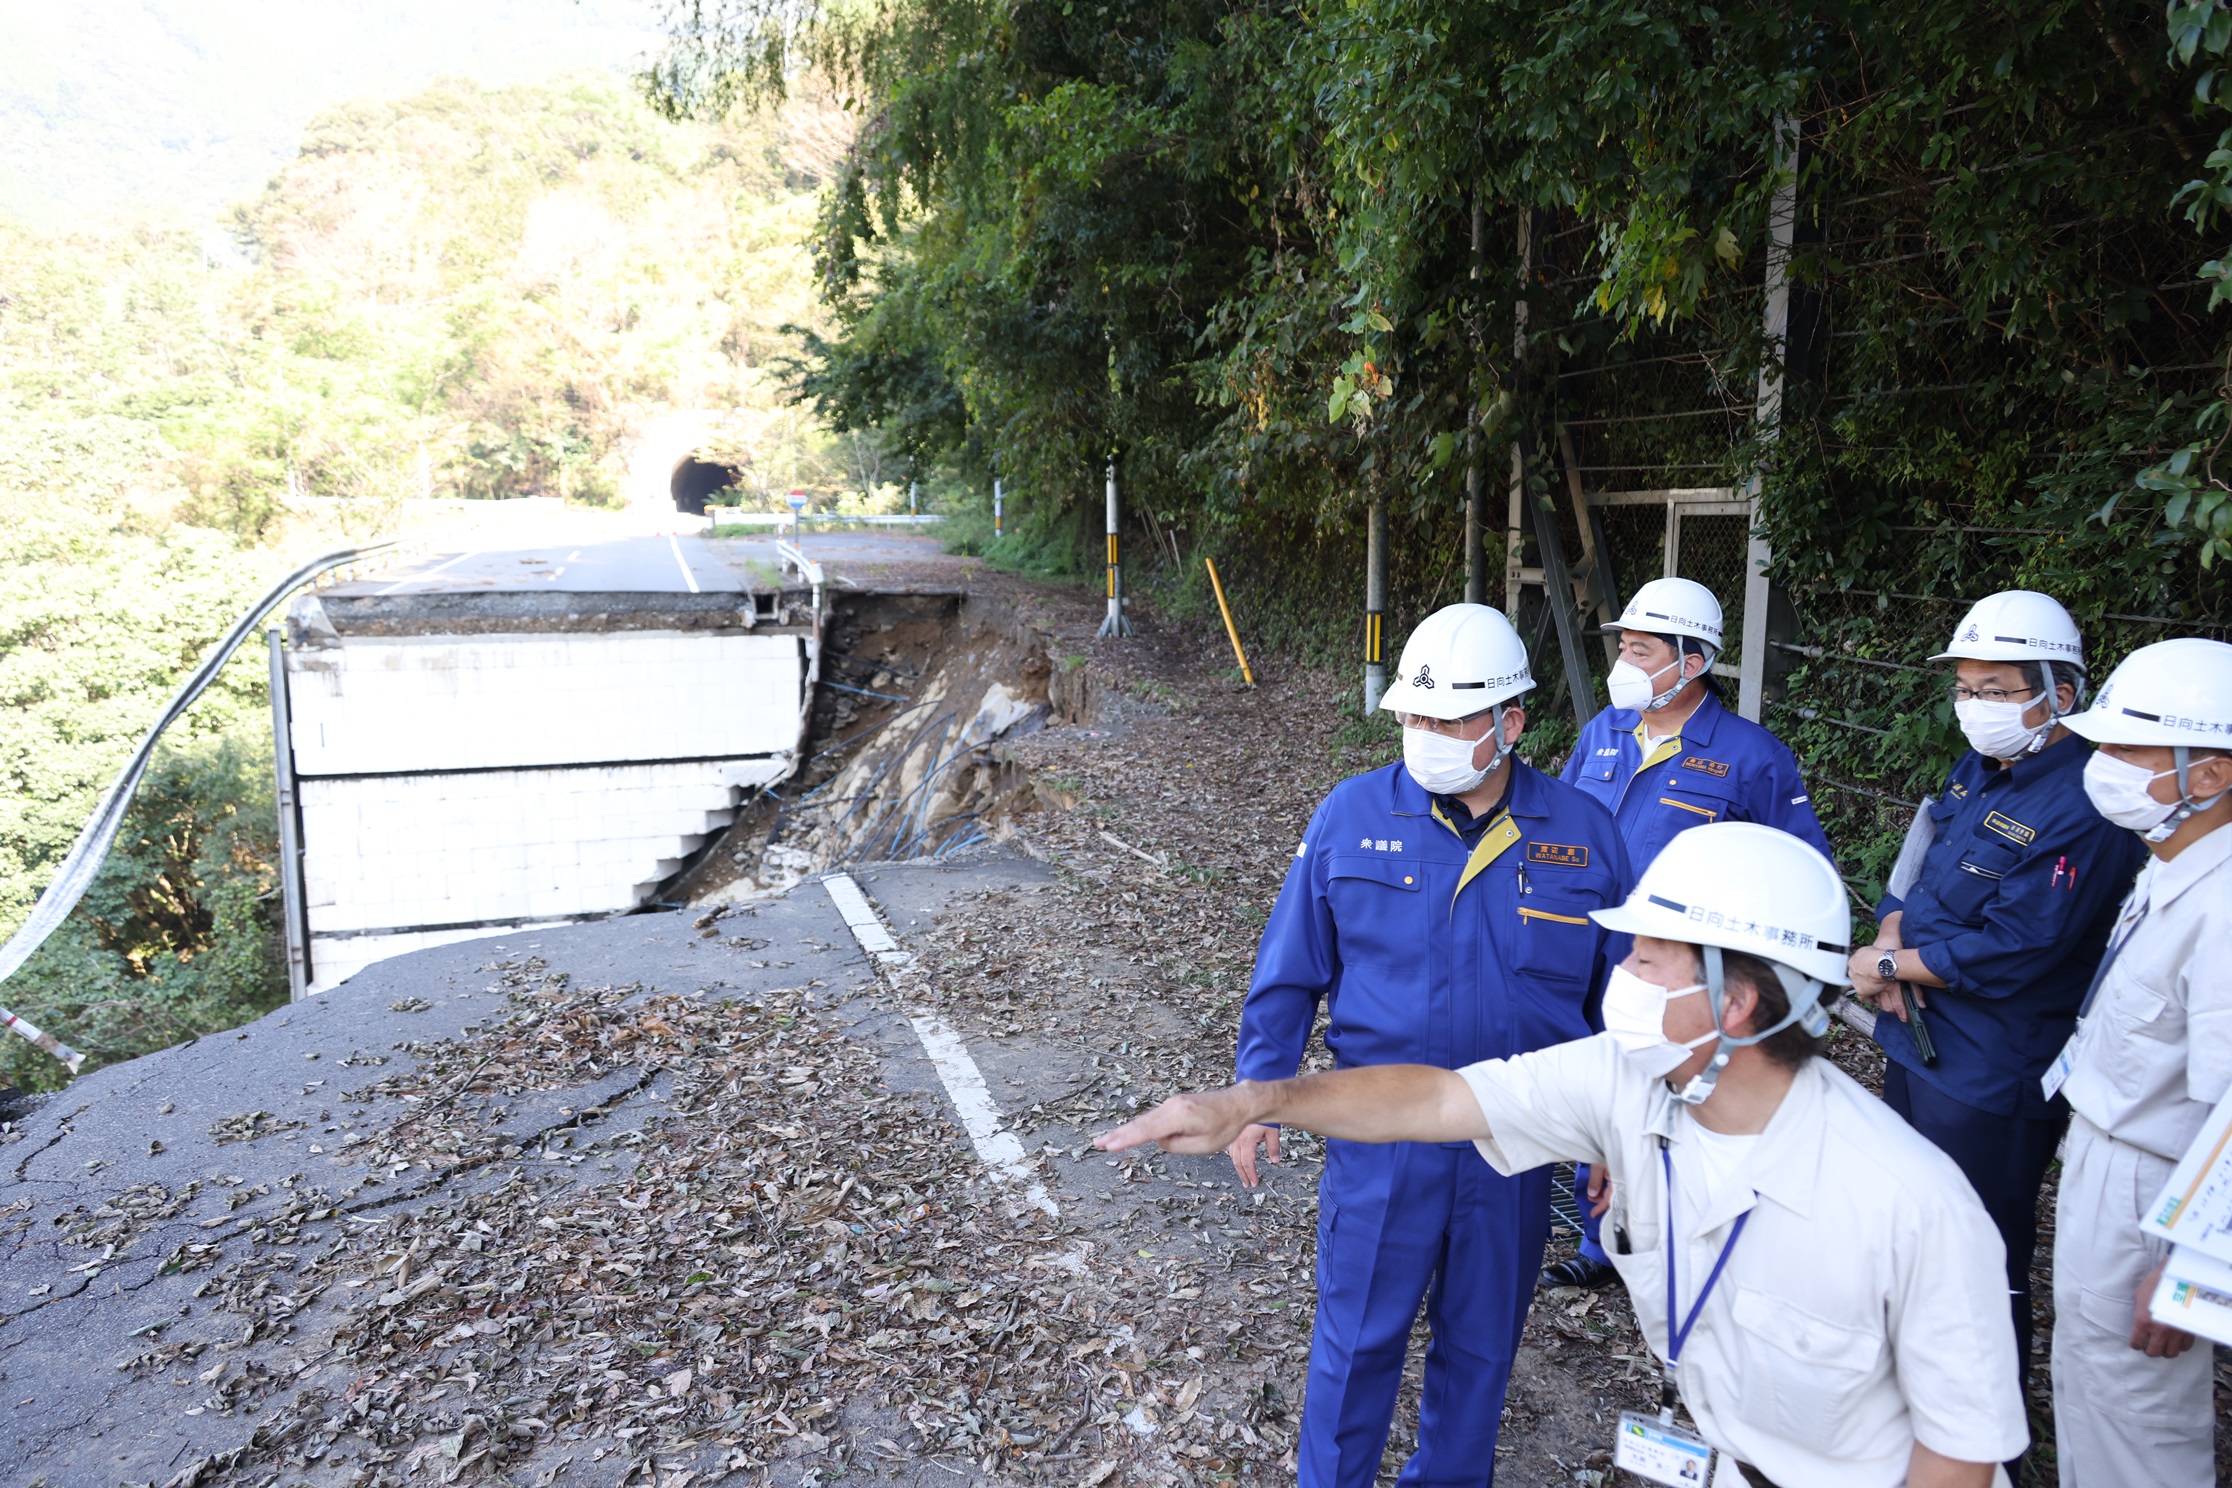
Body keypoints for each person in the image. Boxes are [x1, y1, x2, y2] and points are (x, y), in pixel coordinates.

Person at [1107, 823, 2027, 1488]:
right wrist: (1253, 1100)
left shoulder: (1914, 1207)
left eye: (1647, 961)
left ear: (1734, 1002)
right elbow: (1436, 1095)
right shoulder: (1631, 1081)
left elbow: (1959, 1455)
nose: (1617, 978)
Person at [1226, 603, 1630, 1488]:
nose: (1427, 735)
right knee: (1355, 1342)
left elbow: (1625, 1003)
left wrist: (1621, 1137)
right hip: (1383, 1142)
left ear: (1510, 723)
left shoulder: (1584, 834)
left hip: (1518, 1145)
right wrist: (1258, 1096)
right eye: (1415, 716)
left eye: (1449, 720)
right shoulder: (1352, 816)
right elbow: (1290, 970)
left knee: (1482, 1352)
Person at [1845, 589, 2143, 1419]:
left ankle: (1989, 1437)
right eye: (1966, 690)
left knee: (1977, 1254)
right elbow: (1918, 875)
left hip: (1990, 1073)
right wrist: (1893, 945)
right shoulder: (1981, 770)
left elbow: (2023, 945)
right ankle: (1911, 1412)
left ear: (2062, 694)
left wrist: (1891, 963)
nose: (1976, 708)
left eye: (1999, 690)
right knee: (1911, 1233)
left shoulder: (2087, 802)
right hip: (1918, 1043)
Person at [1549, 576, 1836, 1289]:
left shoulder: (1750, 756)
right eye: (1623, 646)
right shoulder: (1603, 734)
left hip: (1680, 973)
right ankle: (1602, 1241)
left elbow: (1799, 865)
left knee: (1678, 1093)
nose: (1623, 662)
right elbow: (1556, 825)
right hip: (1585, 951)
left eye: (1641, 650)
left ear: (1692, 662)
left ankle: (1684, 1246)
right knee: (1603, 1088)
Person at [2046, 637, 2232, 1487]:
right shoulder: (2175, 863)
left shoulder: (2224, 905)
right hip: (2111, 1156)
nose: (2102, 763)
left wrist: (2199, 1265)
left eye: (2128, 749)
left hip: (2160, 1186)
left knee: (2138, 1411)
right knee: (2090, 1380)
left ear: (2209, 775)